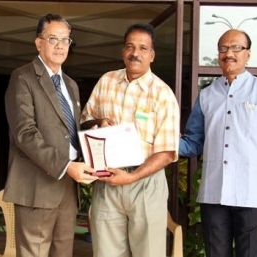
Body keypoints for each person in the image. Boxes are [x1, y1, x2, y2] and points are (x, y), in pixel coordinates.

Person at [179, 29, 257, 257]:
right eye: (223, 48)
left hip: (252, 196)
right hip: (213, 195)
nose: (229, 53)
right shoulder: (207, 95)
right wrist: (156, 140)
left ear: (248, 54)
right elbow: (192, 143)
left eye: (236, 47)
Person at [80, 23, 180, 257]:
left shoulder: (162, 94)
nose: (135, 53)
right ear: (123, 51)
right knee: (106, 253)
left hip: (145, 183)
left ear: (152, 55)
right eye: (130, 47)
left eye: (143, 48)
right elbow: (85, 120)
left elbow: (166, 152)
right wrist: (98, 123)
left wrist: (132, 177)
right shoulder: (106, 81)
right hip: (108, 181)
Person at [3, 13, 97, 257]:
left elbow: (67, 132)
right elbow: (24, 133)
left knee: (63, 253)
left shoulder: (71, 84)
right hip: (37, 186)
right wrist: (66, 166)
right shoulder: (22, 77)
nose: (60, 45)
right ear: (38, 43)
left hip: (67, 186)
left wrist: (95, 131)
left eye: (65, 40)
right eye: (53, 38)